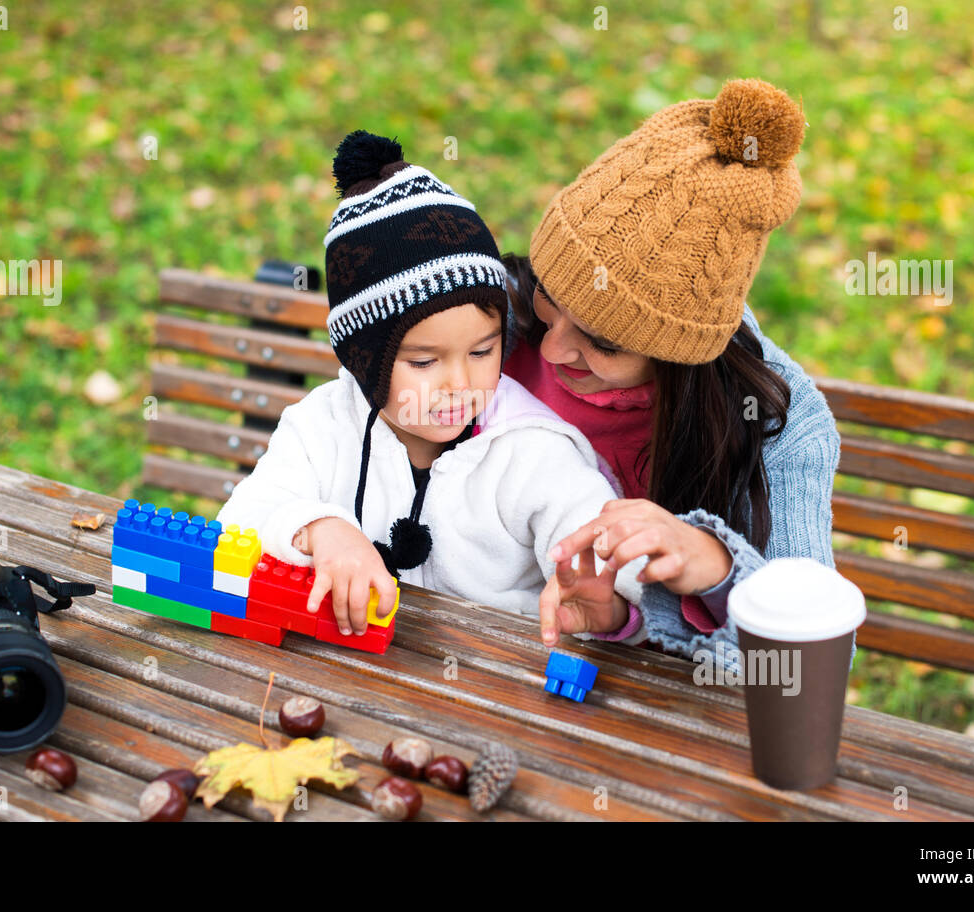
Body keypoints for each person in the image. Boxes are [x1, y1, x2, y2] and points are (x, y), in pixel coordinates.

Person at [215, 130, 646, 638]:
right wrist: (317, 529)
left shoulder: (533, 452)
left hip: (494, 695)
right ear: (364, 360)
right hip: (345, 682)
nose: (460, 384)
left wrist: (614, 608)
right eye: (424, 362)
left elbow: (611, 559)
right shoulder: (322, 426)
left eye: (483, 352)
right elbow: (240, 519)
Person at [499, 79, 850, 672]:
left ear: (675, 356)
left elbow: (817, 658)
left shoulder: (781, 427)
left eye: (603, 343)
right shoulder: (493, 321)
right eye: (549, 301)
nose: (554, 351)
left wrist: (714, 569)